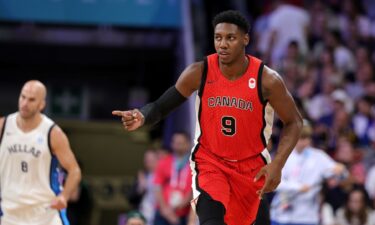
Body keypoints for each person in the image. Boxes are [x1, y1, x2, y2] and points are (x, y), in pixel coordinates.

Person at [113, 10, 302, 225]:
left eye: (230, 38)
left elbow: (294, 121)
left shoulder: (267, 79)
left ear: (245, 39)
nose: (222, 44)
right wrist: (143, 115)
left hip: (251, 168)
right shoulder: (199, 72)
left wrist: (277, 164)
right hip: (211, 163)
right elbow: (163, 105)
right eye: (218, 37)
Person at [0, 80, 82, 225]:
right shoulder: (3, 126)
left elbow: (74, 170)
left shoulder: (52, 133)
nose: (25, 103)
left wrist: (64, 196)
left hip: (44, 213)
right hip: (8, 212)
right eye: (23, 97)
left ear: (42, 104)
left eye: (31, 100)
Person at [270, 120, 347, 225]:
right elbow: (274, 183)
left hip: (307, 217)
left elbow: (340, 176)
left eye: (307, 138)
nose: (305, 142)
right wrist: (298, 187)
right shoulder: (281, 156)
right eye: (301, 138)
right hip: (281, 215)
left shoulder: (319, 156)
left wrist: (341, 171)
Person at [152, 132, 192, 225]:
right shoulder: (164, 162)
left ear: (188, 144)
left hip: (184, 213)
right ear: (172, 144)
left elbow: (194, 190)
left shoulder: (193, 164)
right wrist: (165, 210)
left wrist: (181, 205)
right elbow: (157, 187)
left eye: (181, 143)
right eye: (176, 143)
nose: (178, 146)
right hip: (163, 212)